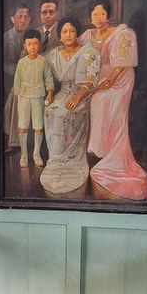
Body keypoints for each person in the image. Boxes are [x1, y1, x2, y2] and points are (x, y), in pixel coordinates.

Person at [79, 0, 147, 201]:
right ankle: (98, 148)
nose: (98, 18)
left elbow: (123, 63)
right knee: (92, 100)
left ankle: (111, 153)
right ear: (90, 16)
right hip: (98, 77)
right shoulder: (88, 35)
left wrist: (109, 80)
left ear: (108, 14)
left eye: (102, 13)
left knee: (102, 101)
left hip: (120, 77)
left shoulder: (122, 33)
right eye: (94, 14)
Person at [40, 17, 100, 194]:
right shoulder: (54, 53)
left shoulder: (87, 51)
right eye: (64, 31)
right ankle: (56, 157)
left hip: (82, 92)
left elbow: (89, 80)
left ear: (77, 33)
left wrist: (77, 98)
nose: (68, 35)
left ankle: (70, 158)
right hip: (64, 92)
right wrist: (50, 93)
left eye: (72, 31)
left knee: (64, 112)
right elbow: (42, 67)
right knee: (50, 109)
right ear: (59, 35)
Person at [13, 29, 54, 168]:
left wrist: (50, 92)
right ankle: (24, 155)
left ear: (40, 44)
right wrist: (19, 93)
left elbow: (49, 78)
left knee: (38, 127)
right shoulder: (21, 63)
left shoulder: (44, 61)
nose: (32, 47)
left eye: (35, 43)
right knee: (23, 127)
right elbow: (17, 80)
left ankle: (36, 154)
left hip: (38, 97)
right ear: (24, 45)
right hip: (24, 97)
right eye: (29, 44)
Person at [3, 3, 31, 148]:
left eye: (26, 16)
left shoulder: (31, 36)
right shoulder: (6, 37)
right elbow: (2, 63)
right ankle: (11, 138)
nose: (23, 20)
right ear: (12, 19)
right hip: (8, 78)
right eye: (19, 16)